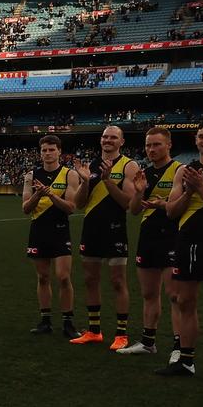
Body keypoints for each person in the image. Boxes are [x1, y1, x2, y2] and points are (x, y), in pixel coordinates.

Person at [159, 121, 203, 382]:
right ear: (195, 140)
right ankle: (186, 361)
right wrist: (189, 191)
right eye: (201, 136)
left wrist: (201, 188)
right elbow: (171, 211)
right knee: (184, 301)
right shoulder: (184, 171)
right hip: (186, 242)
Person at [70, 126, 139, 349]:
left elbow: (127, 203)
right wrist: (85, 181)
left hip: (115, 228)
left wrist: (108, 181)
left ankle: (121, 334)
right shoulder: (90, 166)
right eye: (105, 137)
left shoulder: (129, 165)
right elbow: (79, 204)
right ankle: (94, 330)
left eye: (113, 137)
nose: (108, 140)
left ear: (122, 141)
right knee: (90, 280)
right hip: (91, 227)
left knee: (118, 281)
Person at [120, 127, 182, 357]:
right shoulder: (144, 173)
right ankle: (148, 342)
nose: (152, 149)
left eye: (157, 144)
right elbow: (134, 211)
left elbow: (177, 209)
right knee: (148, 294)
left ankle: (179, 346)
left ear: (169, 145)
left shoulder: (180, 170)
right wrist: (138, 193)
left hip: (173, 237)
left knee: (175, 295)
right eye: (148, 145)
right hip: (148, 236)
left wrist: (162, 204)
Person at [22, 135, 82, 337]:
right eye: (44, 150)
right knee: (43, 277)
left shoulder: (69, 175)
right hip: (39, 230)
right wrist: (38, 194)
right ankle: (45, 321)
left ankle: (67, 322)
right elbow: (25, 208)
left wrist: (51, 195)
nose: (47, 153)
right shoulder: (31, 176)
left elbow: (71, 208)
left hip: (59, 230)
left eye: (51, 150)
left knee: (64, 277)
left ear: (59, 152)